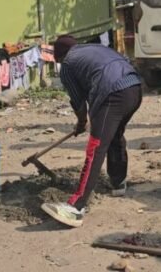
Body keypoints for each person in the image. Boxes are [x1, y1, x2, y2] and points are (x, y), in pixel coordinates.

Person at [43, 36, 143, 228]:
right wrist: (84, 120)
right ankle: (118, 182)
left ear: (60, 57)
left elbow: (78, 100)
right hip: (135, 89)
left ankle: (76, 207)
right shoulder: (94, 49)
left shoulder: (68, 64)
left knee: (96, 147)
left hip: (113, 94)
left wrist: (81, 121)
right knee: (114, 134)